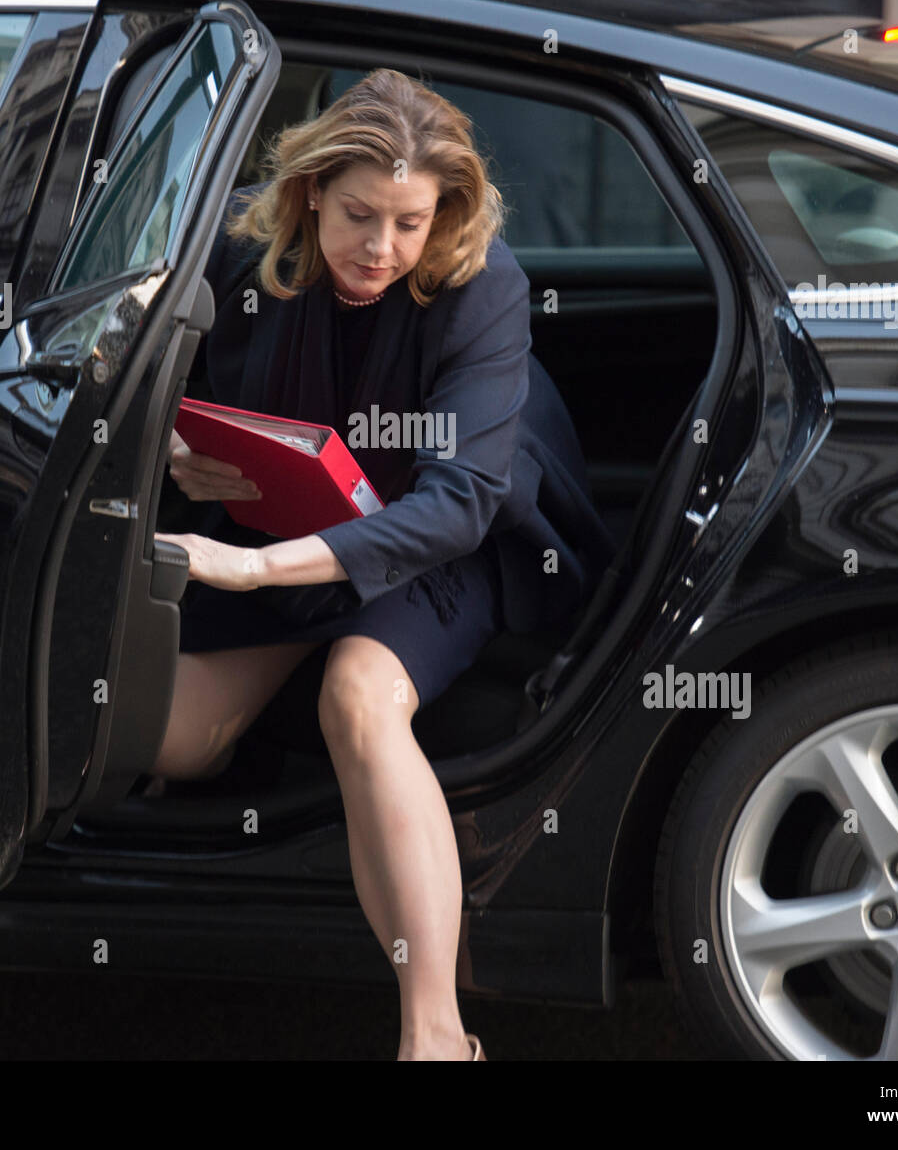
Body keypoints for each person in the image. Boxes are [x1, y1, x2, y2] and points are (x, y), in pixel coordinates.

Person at [152, 68, 615, 1061]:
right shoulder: (240, 252)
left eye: (410, 222)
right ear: (311, 189)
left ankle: (435, 1030)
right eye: (359, 214)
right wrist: (174, 458)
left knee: (358, 697)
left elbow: (458, 503)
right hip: (282, 520)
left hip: (434, 543)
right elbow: (161, 396)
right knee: (173, 741)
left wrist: (249, 572)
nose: (381, 248)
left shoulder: (482, 286)